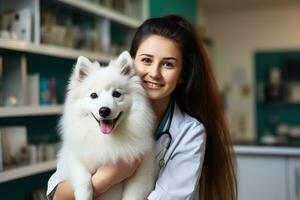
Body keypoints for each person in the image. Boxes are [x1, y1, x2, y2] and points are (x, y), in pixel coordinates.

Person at [47, 15, 237, 200]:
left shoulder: (189, 132)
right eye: (146, 60)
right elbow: (58, 195)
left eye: (168, 64)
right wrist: (109, 177)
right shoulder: (86, 125)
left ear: (181, 75)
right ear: (132, 64)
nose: (154, 73)